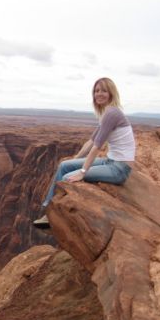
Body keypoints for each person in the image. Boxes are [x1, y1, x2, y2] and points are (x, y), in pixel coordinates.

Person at [33, 77, 135, 228]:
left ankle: (53, 217)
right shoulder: (106, 113)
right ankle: (48, 208)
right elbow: (91, 141)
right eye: (96, 91)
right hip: (110, 161)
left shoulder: (112, 113)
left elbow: (97, 147)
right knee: (64, 165)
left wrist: (82, 171)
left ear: (111, 93)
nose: (99, 94)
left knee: (68, 177)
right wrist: (76, 159)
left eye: (103, 91)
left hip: (119, 169)